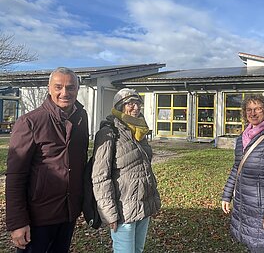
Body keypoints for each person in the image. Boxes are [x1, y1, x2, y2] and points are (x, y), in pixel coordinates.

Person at [6, 67, 89, 252]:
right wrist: (17, 222)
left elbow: (81, 162)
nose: (64, 93)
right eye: (58, 87)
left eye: (70, 87)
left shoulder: (81, 118)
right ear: (49, 88)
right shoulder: (30, 122)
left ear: (77, 89)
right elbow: (15, 176)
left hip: (68, 213)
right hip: (38, 216)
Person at [91, 88, 161, 253]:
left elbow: (145, 169)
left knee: (138, 249)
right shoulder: (109, 132)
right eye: (130, 103)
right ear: (120, 106)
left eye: (138, 103)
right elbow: (100, 177)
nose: (135, 107)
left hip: (143, 205)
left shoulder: (139, 131)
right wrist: (109, 213)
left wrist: (153, 201)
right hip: (123, 210)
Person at [221, 95, 264, 253]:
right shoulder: (242, 138)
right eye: (249, 109)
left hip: (263, 207)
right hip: (245, 204)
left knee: (259, 246)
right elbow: (237, 168)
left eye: (258, 108)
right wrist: (227, 194)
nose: (253, 113)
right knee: (253, 245)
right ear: (244, 113)